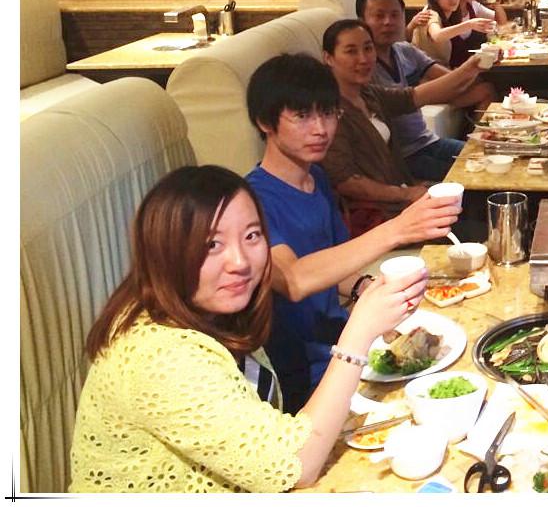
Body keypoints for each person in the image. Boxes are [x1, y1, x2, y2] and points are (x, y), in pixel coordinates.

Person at [69, 165, 429, 492]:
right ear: (165, 253)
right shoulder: (159, 356)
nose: (240, 261)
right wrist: (358, 333)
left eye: (252, 236)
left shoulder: (211, 309)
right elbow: (295, 465)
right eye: (212, 244)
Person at [244, 53, 460, 413]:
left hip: (344, 343)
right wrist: (398, 229)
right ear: (265, 121)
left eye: (328, 113)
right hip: (304, 378)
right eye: (302, 115)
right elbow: (294, 280)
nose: (320, 129)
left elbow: (335, 264)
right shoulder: (251, 199)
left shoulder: (316, 178)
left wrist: (366, 289)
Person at [320, 19, 485, 232]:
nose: (363, 58)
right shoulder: (329, 112)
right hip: (378, 216)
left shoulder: (368, 94)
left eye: (368, 48)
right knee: (480, 224)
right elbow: (347, 183)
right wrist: (407, 194)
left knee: (479, 196)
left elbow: (416, 96)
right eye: (351, 51)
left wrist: (471, 67)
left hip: (401, 197)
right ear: (328, 58)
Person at [356, 0, 493, 181]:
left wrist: (478, 65)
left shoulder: (405, 50)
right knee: (477, 176)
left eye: (395, 15)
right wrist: (472, 66)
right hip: (402, 158)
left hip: (428, 142)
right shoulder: (362, 68)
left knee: (490, 159)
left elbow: (450, 80)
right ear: (362, 22)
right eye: (379, 16)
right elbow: (412, 98)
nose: (388, 22)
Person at [412, 0, 497, 69]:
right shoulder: (431, 14)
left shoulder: (451, 16)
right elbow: (437, 36)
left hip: (440, 68)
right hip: (426, 71)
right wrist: (469, 24)